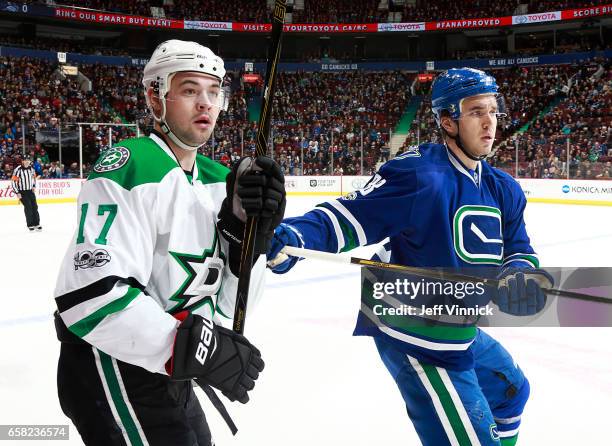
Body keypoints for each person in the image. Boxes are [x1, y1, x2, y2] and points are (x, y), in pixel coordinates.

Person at [268, 68, 553, 446]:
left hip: (457, 328)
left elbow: (519, 248)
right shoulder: (420, 174)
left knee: (512, 392)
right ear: (448, 122)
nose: (490, 122)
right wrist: (294, 236)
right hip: (415, 335)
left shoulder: (504, 188)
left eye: (493, 110)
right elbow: (350, 217)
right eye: (475, 112)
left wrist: (518, 274)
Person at [53, 40, 286, 446]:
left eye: (214, 92)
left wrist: (249, 243)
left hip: (170, 370)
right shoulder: (132, 163)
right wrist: (193, 348)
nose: (205, 104)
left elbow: (229, 307)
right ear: (155, 97)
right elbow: (90, 297)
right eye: (190, 90)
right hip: (113, 368)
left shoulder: (218, 180)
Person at [11, 155, 41, 231]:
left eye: (28, 160)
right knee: (28, 207)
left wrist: (34, 186)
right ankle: (30, 224)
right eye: (25, 160)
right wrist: (17, 192)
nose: (27, 161)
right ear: (22, 161)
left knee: (35, 207)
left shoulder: (32, 169)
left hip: (30, 191)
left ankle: (36, 223)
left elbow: (34, 178)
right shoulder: (18, 170)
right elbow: (14, 182)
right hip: (22, 192)